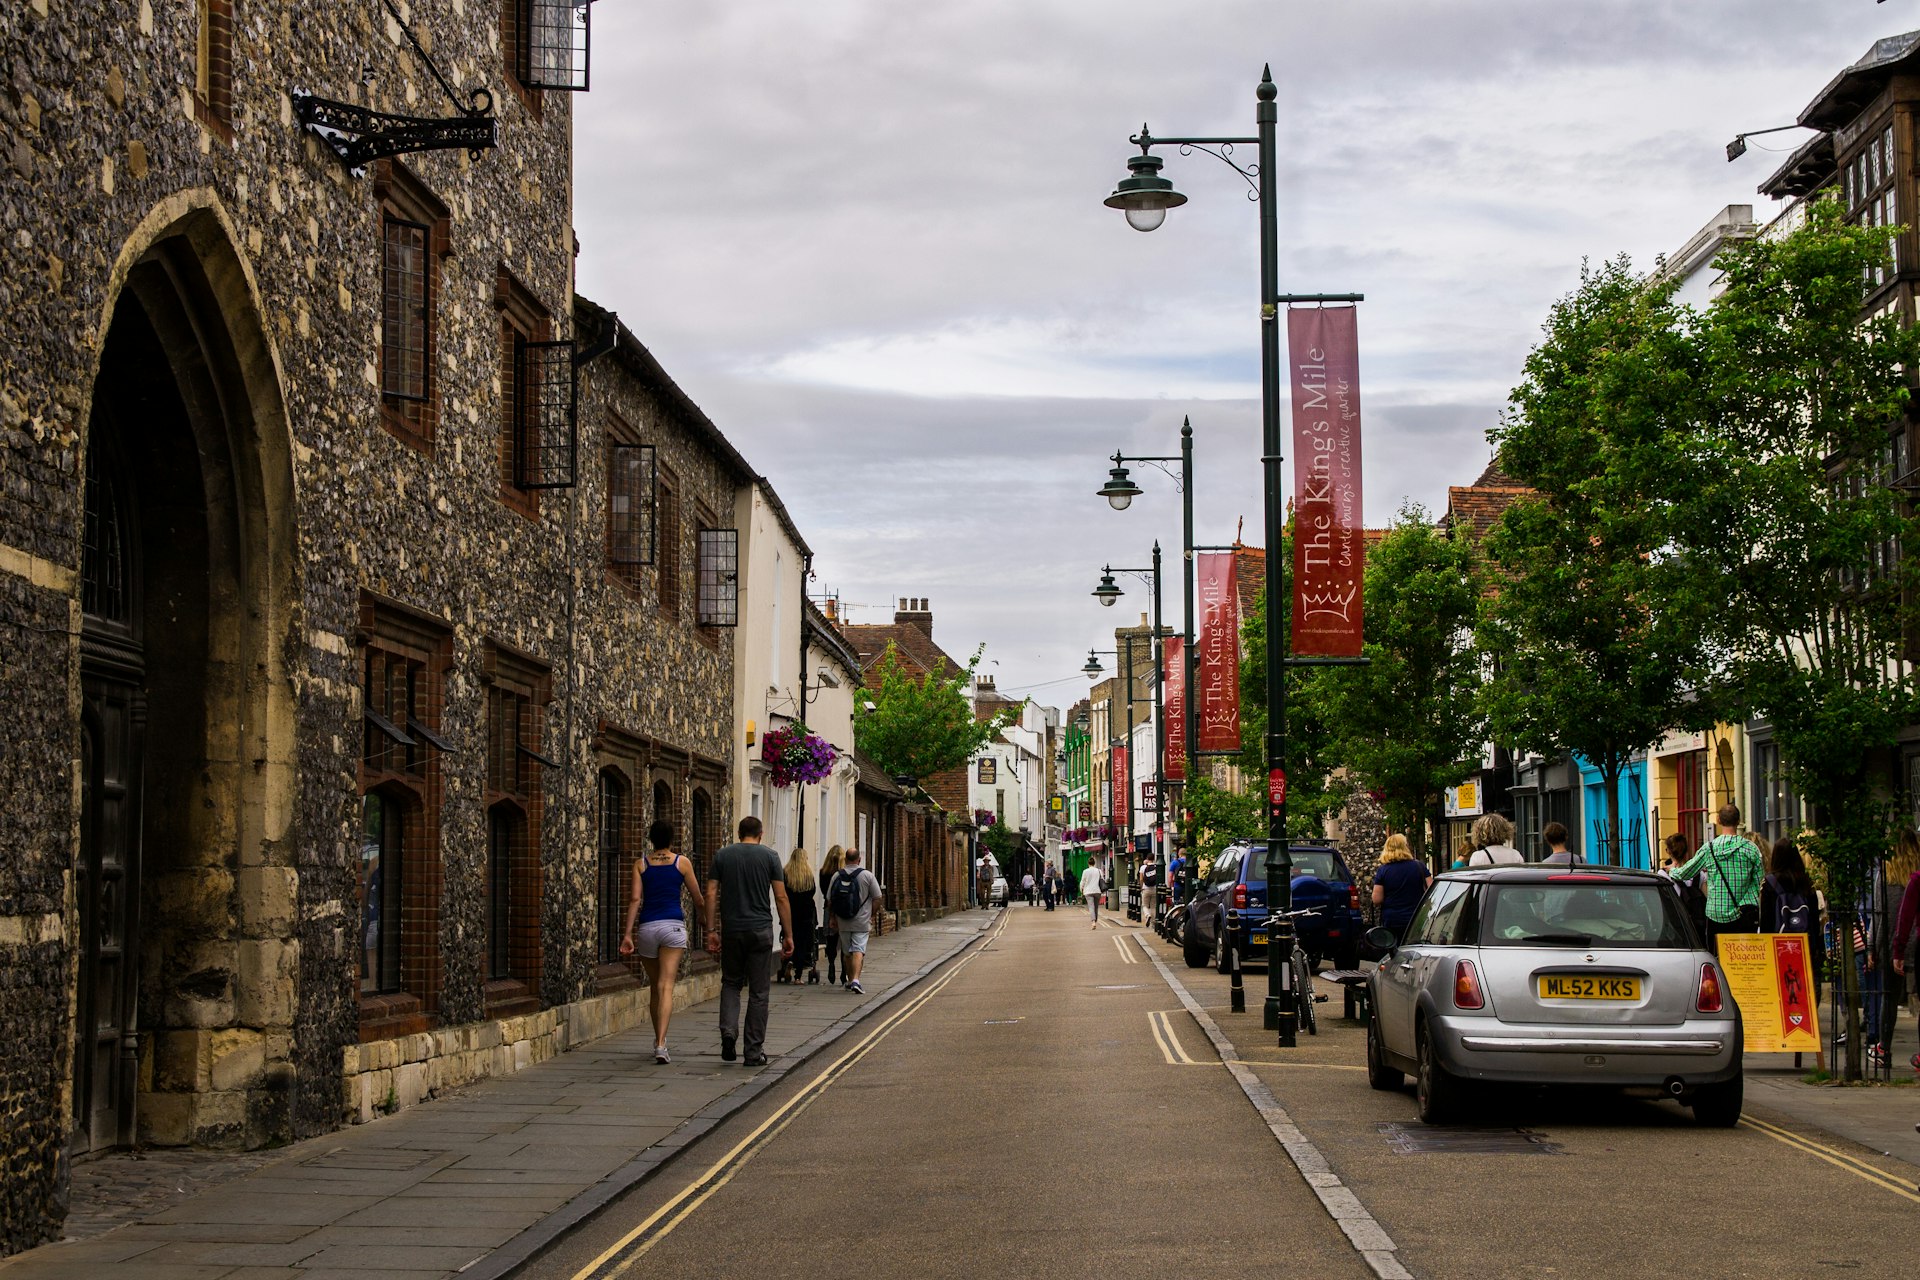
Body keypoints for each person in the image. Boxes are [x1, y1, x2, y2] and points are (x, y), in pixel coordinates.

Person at [705, 816, 793, 1067]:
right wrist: (788, 934)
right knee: (759, 991)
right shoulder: (770, 857)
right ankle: (753, 1052)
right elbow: (781, 897)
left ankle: (728, 1033)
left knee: (731, 983)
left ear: (739, 833)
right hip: (760, 931)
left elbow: (710, 892)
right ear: (761, 834)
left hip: (732, 930)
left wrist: (711, 929)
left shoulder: (723, 856)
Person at [619, 818, 707, 1064]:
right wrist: (704, 921)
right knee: (666, 985)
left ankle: (658, 1039)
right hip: (673, 926)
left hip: (647, 927)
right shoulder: (682, 862)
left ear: (651, 839)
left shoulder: (641, 864)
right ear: (671, 840)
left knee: (655, 986)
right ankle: (660, 1045)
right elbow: (698, 897)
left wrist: (627, 934)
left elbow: (635, 900)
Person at [1666, 804, 1764, 944]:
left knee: (1718, 959)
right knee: (1745, 961)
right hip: (1745, 914)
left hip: (1717, 915)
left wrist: (1672, 870)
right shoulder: (1751, 849)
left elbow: (1685, 873)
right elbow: (1759, 880)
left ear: (1718, 820)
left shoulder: (1709, 849)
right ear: (1738, 821)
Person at [826, 847, 884, 994]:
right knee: (858, 949)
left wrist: (832, 918)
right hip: (861, 921)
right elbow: (877, 898)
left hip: (843, 921)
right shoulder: (867, 876)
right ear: (859, 859)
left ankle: (850, 980)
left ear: (845, 860)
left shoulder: (836, 876)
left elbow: (830, 900)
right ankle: (856, 981)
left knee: (847, 952)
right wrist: (871, 914)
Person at [1370, 834, 1429, 944]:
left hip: (1392, 920)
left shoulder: (1383, 871)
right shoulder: (1419, 867)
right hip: (1416, 918)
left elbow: (1377, 899)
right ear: (1405, 847)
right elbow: (1431, 892)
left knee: (1394, 949)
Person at [779, 848, 819, 985]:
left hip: (789, 912)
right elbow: (812, 891)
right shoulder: (808, 875)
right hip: (805, 914)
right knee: (802, 944)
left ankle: (787, 962)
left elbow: (782, 893)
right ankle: (798, 976)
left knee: (788, 938)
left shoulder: (786, 873)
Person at [818, 846, 845, 986]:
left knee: (831, 940)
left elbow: (824, 892)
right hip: (843, 910)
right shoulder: (844, 874)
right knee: (844, 941)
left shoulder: (823, 872)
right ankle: (844, 972)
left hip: (828, 908)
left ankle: (831, 965)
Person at [1081, 857, 1106, 928]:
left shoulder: (1085, 871)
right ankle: (1095, 920)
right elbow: (1102, 880)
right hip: (1097, 891)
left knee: (1091, 907)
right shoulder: (1099, 871)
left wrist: (1081, 890)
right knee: (1096, 907)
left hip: (1088, 891)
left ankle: (1093, 922)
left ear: (1088, 863)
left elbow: (1082, 882)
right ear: (1094, 863)